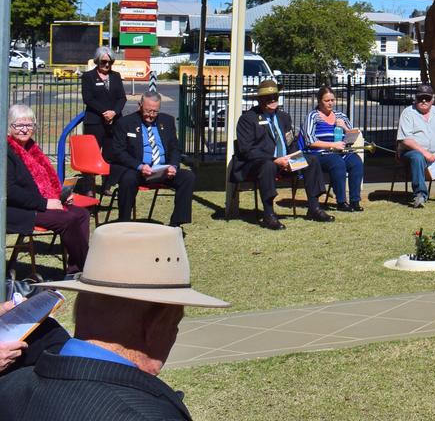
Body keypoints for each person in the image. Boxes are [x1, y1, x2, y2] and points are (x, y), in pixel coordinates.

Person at [0, 222, 229, 420]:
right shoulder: (147, 414)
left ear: (80, 308)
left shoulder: (10, 387)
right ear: (155, 325)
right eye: (174, 325)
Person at [230, 80, 332, 229]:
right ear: (259, 99)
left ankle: (314, 208)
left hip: (285, 161)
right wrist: (275, 160)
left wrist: (292, 159)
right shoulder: (248, 119)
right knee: (268, 165)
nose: (272, 100)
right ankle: (269, 215)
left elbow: (291, 143)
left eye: (275, 96)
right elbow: (247, 150)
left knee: (312, 160)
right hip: (258, 164)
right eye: (267, 97)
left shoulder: (284, 117)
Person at [6, 105, 90, 275]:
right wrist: (45, 203)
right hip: (17, 209)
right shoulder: (6, 152)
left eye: (29, 125)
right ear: (9, 127)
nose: (24, 130)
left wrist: (62, 195)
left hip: (41, 201)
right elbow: (10, 191)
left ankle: (75, 269)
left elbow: (44, 181)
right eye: (19, 125)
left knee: (81, 214)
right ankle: (89, 267)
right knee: (67, 219)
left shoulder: (31, 148)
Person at [107, 91, 195, 227]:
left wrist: (173, 165)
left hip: (162, 170)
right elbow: (118, 152)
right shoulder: (125, 123)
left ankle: (176, 224)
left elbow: (175, 148)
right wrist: (140, 166)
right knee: (128, 178)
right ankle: (124, 221)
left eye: (155, 112)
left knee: (187, 177)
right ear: (139, 106)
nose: (151, 116)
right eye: (148, 111)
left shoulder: (167, 121)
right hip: (137, 170)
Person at [302, 86, 364, 212]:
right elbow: (309, 141)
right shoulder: (313, 116)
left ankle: (355, 201)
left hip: (341, 151)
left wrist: (345, 127)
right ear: (319, 101)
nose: (330, 103)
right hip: (321, 153)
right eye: (327, 100)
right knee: (337, 163)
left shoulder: (340, 116)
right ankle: (341, 201)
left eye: (332, 100)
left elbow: (352, 135)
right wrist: (332, 145)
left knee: (356, 162)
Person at [80, 46, 126, 155]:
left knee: (111, 154)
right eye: (104, 61)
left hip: (114, 121)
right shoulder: (88, 76)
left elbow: (122, 98)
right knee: (91, 153)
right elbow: (88, 98)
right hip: (95, 121)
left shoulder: (116, 76)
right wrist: (106, 113)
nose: (107, 65)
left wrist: (114, 112)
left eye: (110, 62)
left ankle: (109, 172)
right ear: (97, 60)